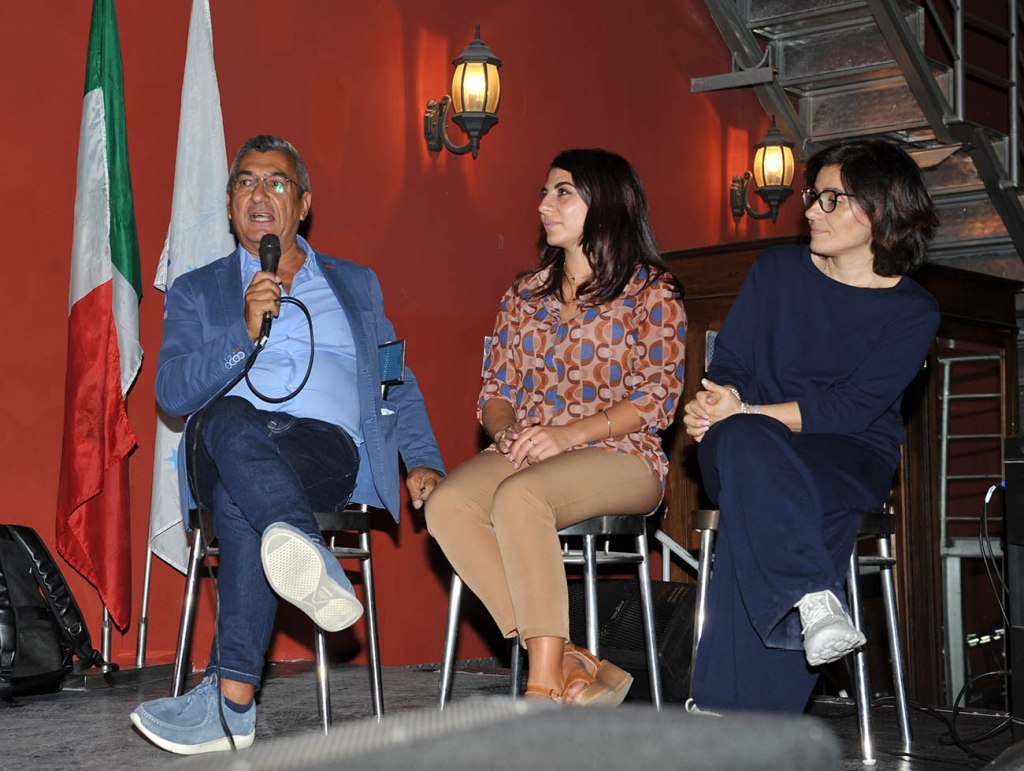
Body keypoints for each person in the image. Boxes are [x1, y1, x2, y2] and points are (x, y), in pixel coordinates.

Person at [130, 135, 444, 754]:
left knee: (243, 496)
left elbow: (396, 380)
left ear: (303, 204)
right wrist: (242, 331)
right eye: (246, 181)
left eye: (276, 182)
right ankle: (304, 550)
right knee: (229, 418)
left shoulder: (356, 285)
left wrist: (423, 459)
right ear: (230, 203)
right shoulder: (197, 289)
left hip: (324, 451)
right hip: (223, 440)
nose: (259, 193)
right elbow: (172, 392)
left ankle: (231, 705)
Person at [682, 139, 940, 713]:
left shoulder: (913, 310)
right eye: (813, 196)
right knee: (754, 454)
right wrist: (724, 400)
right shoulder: (776, 270)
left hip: (847, 455)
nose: (811, 212)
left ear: (879, 210)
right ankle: (813, 596)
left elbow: (850, 408)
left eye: (831, 199)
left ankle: (721, 714)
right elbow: (733, 362)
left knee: (773, 505)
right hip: (745, 446)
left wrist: (744, 413)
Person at [425, 148, 686, 706]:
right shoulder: (524, 294)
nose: (544, 204)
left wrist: (570, 435)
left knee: (520, 497)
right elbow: (496, 393)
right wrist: (506, 432)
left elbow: (658, 397)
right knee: (447, 504)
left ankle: (542, 686)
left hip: (624, 453)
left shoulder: (651, 291)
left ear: (607, 201)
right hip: (533, 446)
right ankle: (568, 659)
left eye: (562, 192)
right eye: (545, 192)